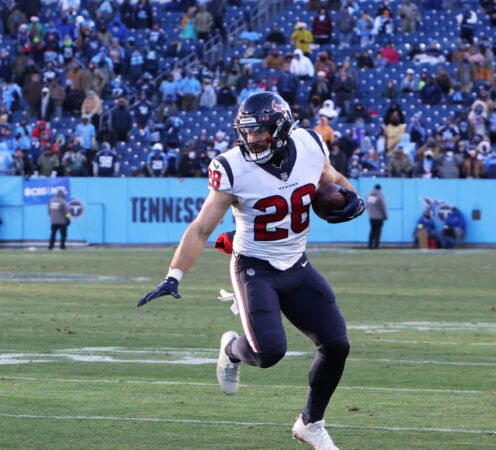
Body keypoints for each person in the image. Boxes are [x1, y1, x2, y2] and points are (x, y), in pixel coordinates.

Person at [137, 92, 365, 450]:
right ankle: (231, 350)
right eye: (247, 132)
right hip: (255, 268)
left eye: (260, 131)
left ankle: (311, 424)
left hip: (297, 263)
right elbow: (201, 228)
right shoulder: (231, 166)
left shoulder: (309, 143)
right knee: (268, 353)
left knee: (337, 345)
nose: (252, 139)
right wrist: (174, 274)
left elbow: (331, 177)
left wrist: (353, 199)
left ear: (283, 129)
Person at [366, 184, 387, 249]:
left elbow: (368, 204)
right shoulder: (380, 196)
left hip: (371, 217)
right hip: (379, 217)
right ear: (379, 189)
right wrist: (385, 216)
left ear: (374, 188)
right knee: (378, 232)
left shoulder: (369, 196)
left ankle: (370, 245)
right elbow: (383, 207)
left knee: (372, 231)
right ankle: (376, 246)